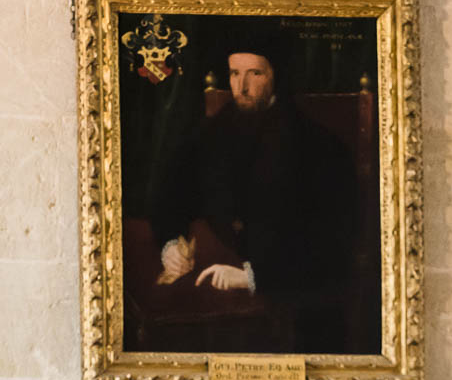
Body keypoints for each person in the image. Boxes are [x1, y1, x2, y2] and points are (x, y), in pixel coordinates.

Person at [150, 41, 360, 354]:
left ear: (275, 77)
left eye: (255, 74)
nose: (242, 87)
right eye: (234, 74)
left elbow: (334, 245)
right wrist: (171, 245)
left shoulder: (317, 145)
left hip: (294, 298)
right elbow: (171, 192)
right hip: (218, 287)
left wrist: (253, 277)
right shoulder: (213, 132)